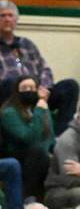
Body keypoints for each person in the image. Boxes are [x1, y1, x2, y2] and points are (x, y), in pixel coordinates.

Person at [0, 0, 79, 134]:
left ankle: (61, 135)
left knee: (70, 86)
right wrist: (23, 87)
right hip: (11, 94)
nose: (7, 19)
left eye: (10, 15)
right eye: (2, 16)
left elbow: (44, 69)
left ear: (16, 20)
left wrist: (44, 87)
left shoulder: (26, 44)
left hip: (36, 92)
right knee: (10, 83)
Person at [0, 73, 53, 201]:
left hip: (37, 155)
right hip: (14, 155)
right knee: (38, 153)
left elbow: (50, 136)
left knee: (50, 156)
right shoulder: (9, 112)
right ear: (17, 91)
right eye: (24, 88)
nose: (29, 91)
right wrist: (40, 111)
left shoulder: (39, 108)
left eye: (32, 88)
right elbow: (28, 138)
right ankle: (29, 197)